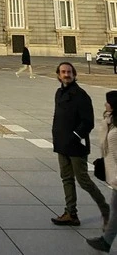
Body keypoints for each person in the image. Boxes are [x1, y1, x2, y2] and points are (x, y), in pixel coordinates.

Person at [51, 61, 110, 227]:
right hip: (62, 143)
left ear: (74, 74)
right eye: (63, 72)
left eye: (69, 72)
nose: (66, 74)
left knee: (83, 180)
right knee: (66, 178)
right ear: (58, 75)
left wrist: (75, 136)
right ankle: (71, 213)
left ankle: (107, 212)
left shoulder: (81, 95)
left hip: (76, 145)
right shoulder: (59, 93)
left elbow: (88, 122)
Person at [87, 91, 117, 252]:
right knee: (116, 210)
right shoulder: (111, 123)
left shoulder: (115, 132)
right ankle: (106, 241)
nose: (104, 104)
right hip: (115, 178)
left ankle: (106, 241)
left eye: (107, 102)